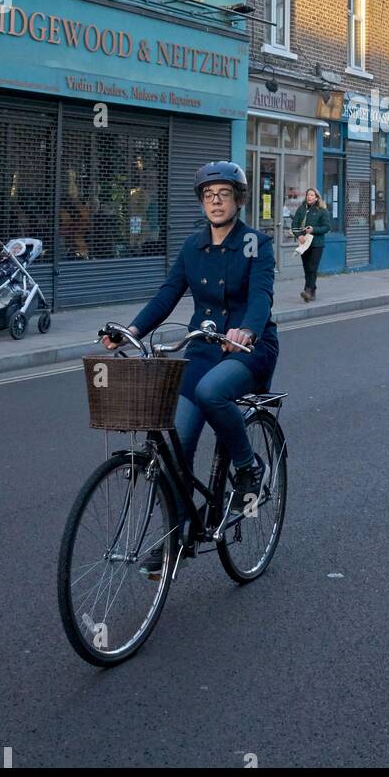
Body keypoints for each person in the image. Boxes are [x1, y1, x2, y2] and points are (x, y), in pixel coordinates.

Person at [102, 162, 278, 564]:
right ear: (202, 202)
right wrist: (130, 330)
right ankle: (179, 533)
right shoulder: (192, 247)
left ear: (238, 199)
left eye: (224, 194)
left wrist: (247, 330)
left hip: (248, 349)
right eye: (208, 195)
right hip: (202, 348)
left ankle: (249, 468)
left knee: (211, 392)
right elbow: (167, 296)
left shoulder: (256, 244)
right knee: (177, 442)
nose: (216, 201)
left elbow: (261, 297)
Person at [290, 186, 330, 302]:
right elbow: (294, 225)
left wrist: (313, 230)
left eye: (312, 195)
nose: (309, 197)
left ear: (317, 198)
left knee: (312, 267)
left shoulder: (322, 211)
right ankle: (312, 290)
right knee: (307, 268)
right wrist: (299, 235)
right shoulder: (301, 209)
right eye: (308, 195)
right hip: (304, 243)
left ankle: (307, 291)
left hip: (317, 244)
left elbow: (327, 227)